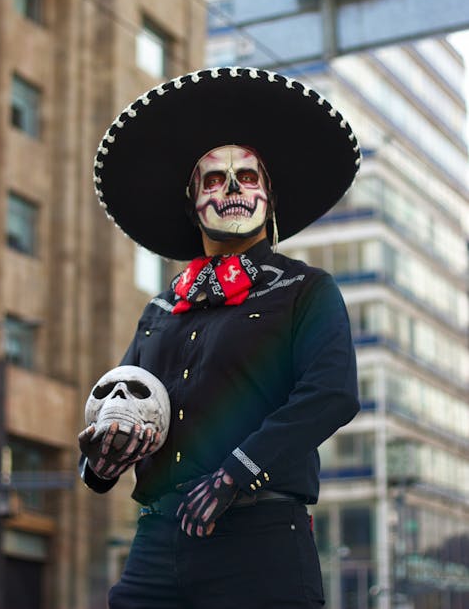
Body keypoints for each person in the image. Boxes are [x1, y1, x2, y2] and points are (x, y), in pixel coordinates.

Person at [79, 66, 362, 609]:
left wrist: (237, 472)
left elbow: (332, 394)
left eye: (247, 177)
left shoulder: (306, 288)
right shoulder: (161, 307)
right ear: (192, 203)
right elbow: (124, 398)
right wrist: (100, 461)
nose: (232, 190)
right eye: (213, 180)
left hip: (261, 543)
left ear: (269, 198)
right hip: (159, 541)